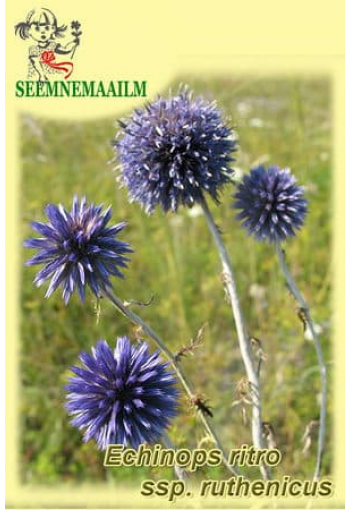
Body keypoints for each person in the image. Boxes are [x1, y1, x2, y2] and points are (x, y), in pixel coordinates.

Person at [15, 8, 81, 81]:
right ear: (29, 31)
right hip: (37, 76)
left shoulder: (52, 45)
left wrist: (74, 43)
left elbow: (65, 50)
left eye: (47, 28)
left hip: (52, 75)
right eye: (37, 29)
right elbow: (35, 62)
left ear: (53, 29)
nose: (42, 32)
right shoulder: (33, 49)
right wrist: (42, 75)